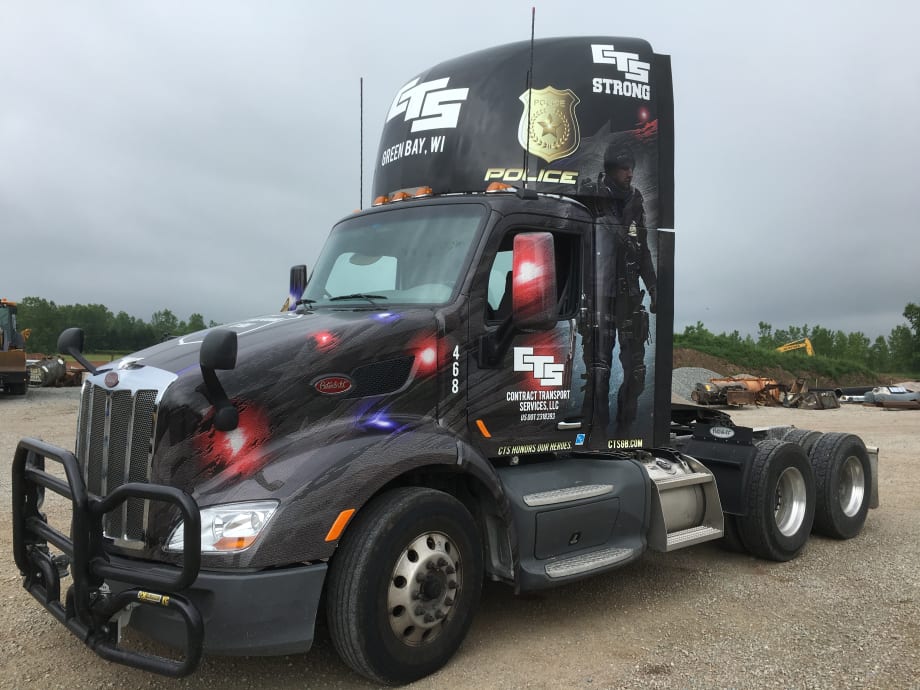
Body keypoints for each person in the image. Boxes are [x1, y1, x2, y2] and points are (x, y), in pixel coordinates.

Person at [590, 143, 658, 432]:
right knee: (599, 372)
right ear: (610, 170)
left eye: (631, 168)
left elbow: (642, 250)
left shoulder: (635, 200)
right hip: (599, 296)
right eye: (623, 169)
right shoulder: (592, 197)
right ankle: (596, 432)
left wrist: (653, 288)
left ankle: (625, 431)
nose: (629, 173)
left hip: (629, 297)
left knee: (637, 372)